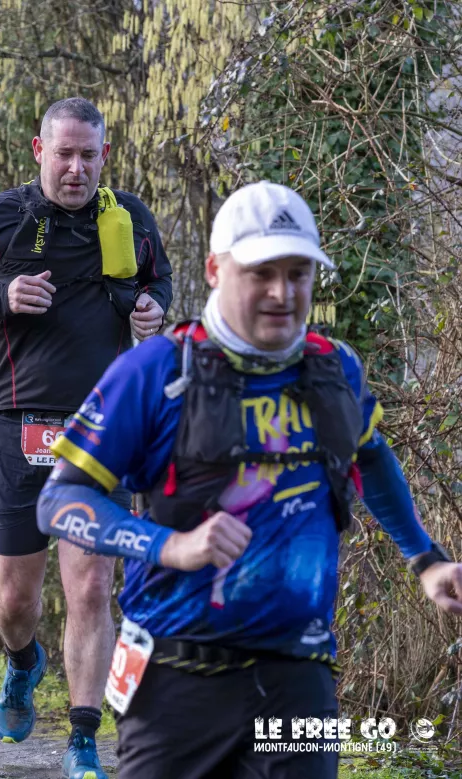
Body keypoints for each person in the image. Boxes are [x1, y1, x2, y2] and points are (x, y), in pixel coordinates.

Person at [35, 181, 462, 778]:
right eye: (261, 273)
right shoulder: (155, 371)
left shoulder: (335, 368)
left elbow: (370, 455)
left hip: (300, 674)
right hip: (174, 679)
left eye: (298, 273)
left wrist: (426, 558)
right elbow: (59, 501)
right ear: (215, 270)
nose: (282, 293)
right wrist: (171, 546)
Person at [0, 97, 173, 777]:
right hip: (14, 424)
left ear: (105, 156)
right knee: (16, 600)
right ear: (40, 151)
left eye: (89, 155)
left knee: (91, 587)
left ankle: (83, 737)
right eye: (64, 154)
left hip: (102, 428)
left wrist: (153, 309)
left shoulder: (130, 218)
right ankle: (23, 660)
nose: (76, 168)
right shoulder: (4, 217)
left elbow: (158, 281)